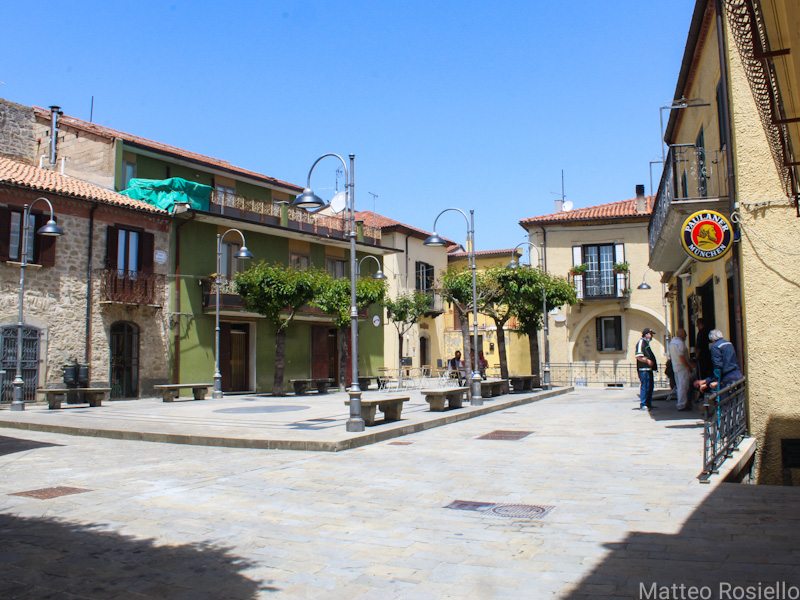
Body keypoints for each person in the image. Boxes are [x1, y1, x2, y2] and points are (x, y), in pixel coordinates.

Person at [668, 328, 694, 411]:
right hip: (682, 367)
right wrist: (688, 366)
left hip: (675, 367)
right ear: (681, 334)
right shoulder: (680, 344)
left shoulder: (672, 343)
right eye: (685, 334)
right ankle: (682, 404)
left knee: (679, 386)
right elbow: (681, 357)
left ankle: (681, 403)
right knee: (683, 386)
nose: (686, 336)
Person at [635, 328, 658, 410]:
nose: (651, 336)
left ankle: (648, 403)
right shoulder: (641, 342)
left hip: (649, 370)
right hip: (643, 369)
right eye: (650, 334)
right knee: (645, 386)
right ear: (646, 334)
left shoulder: (647, 344)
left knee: (650, 387)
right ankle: (643, 404)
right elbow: (638, 356)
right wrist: (648, 361)